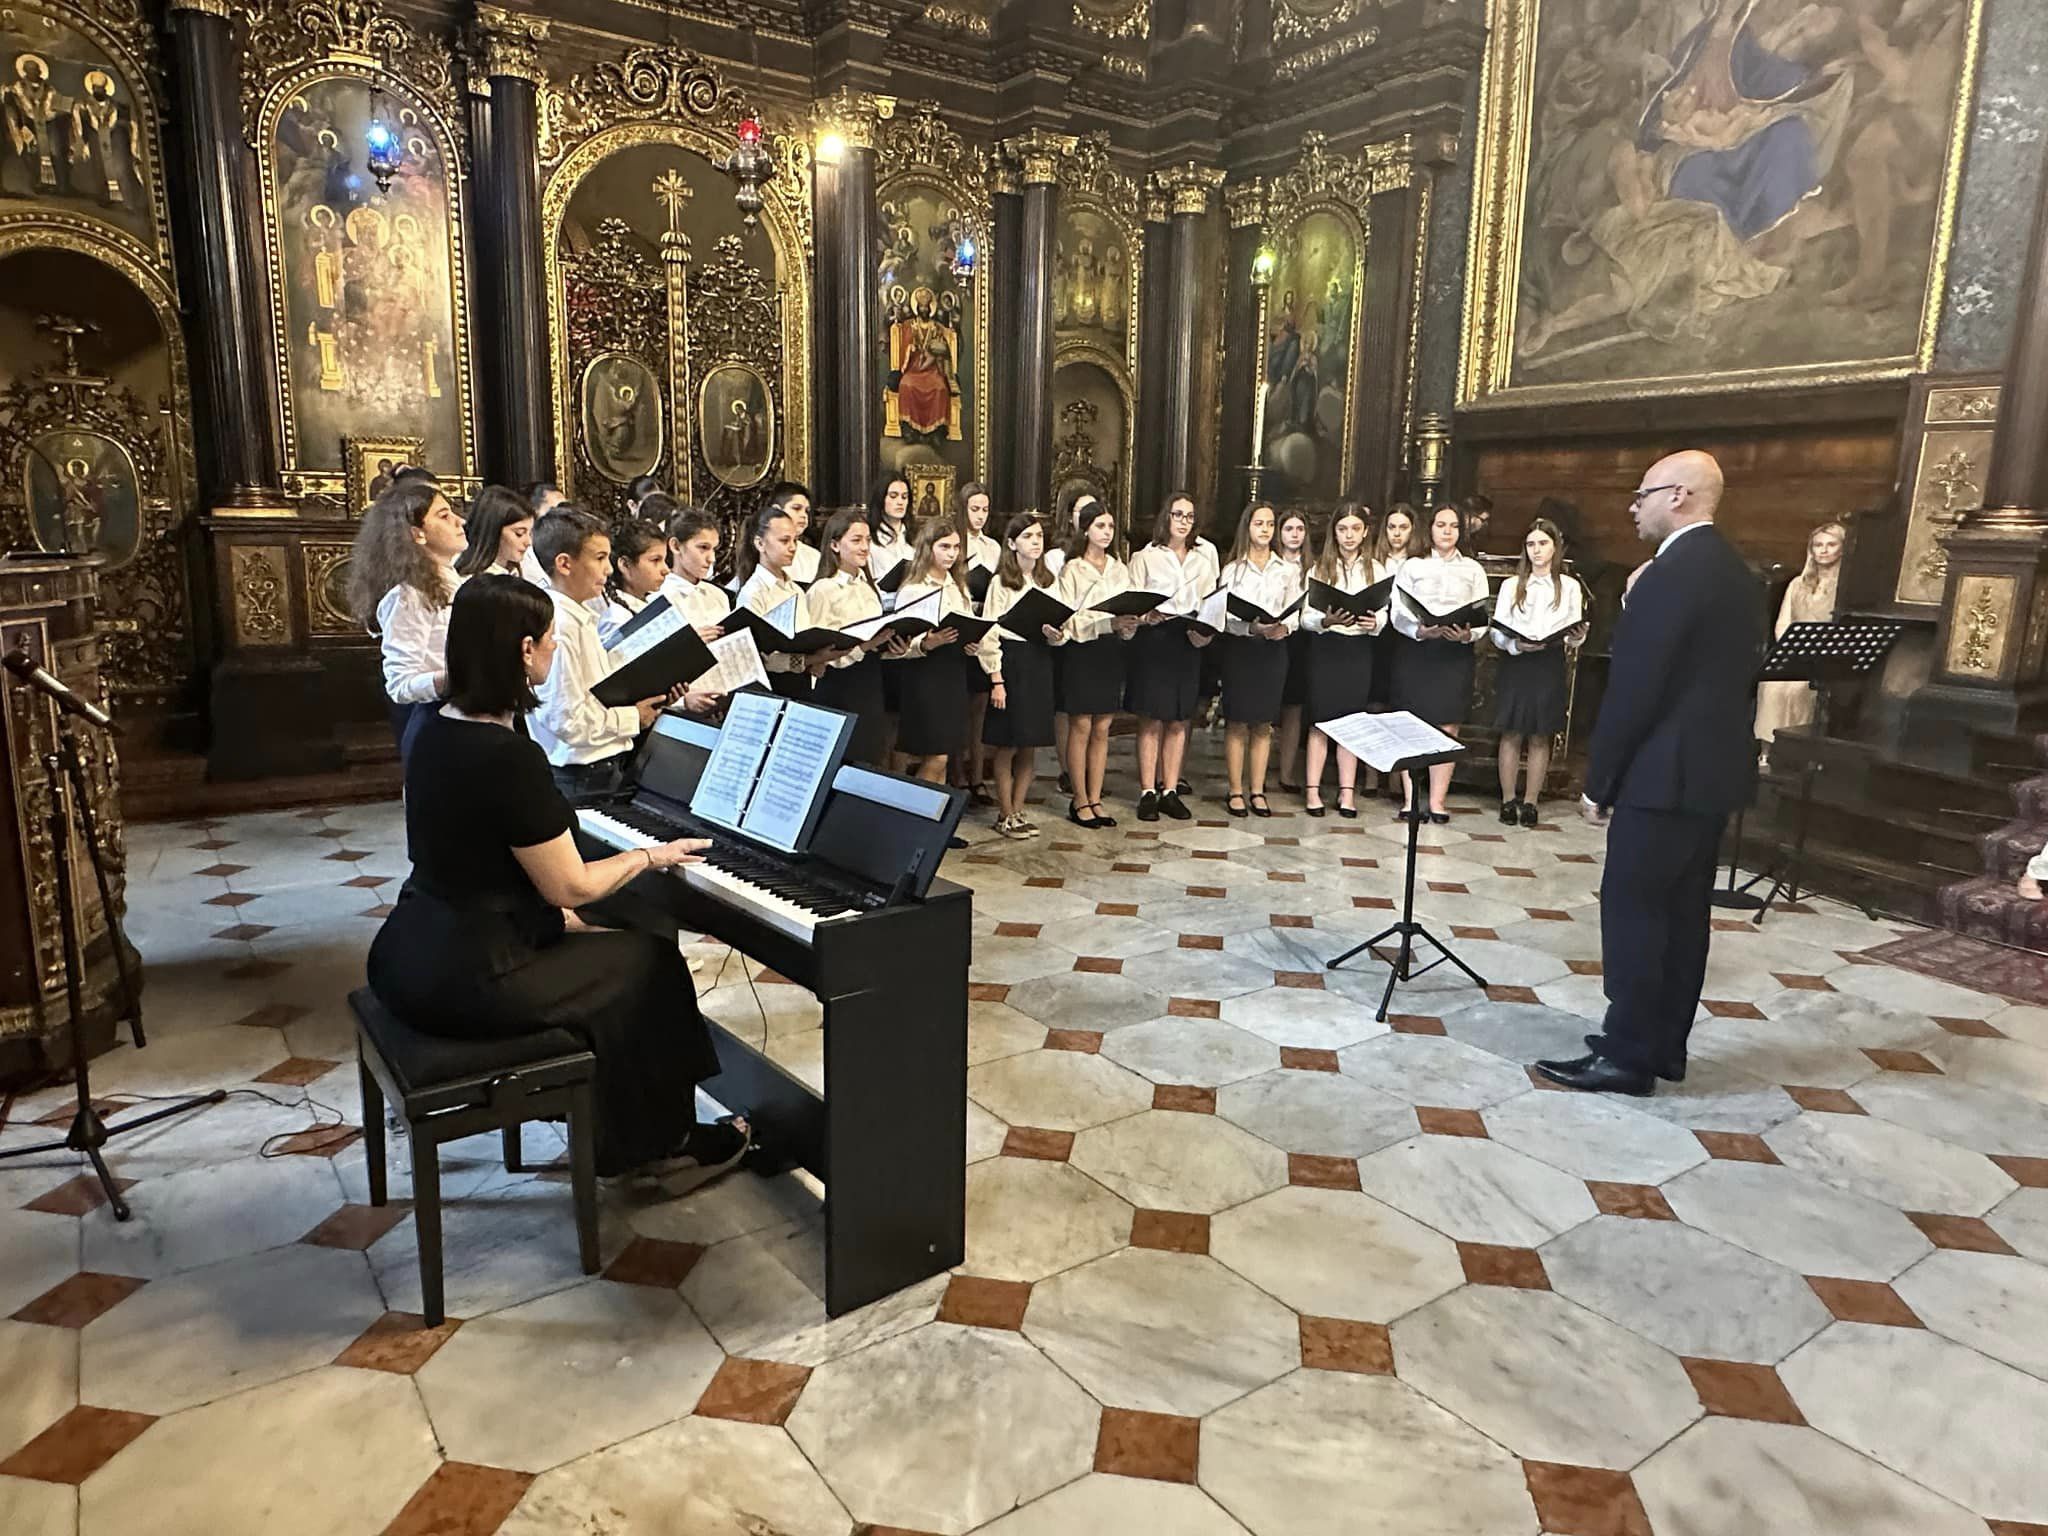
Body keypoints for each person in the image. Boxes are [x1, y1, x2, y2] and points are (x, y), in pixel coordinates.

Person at [366, 575, 746, 1184]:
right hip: (476, 976)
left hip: (408, 952)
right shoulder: (505, 754)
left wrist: (559, 916)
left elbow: (473, 851)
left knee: (608, 951)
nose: (552, 648)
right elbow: (570, 888)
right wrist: (651, 857)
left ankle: (615, 1127)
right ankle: (659, 1145)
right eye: (548, 639)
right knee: (651, 962)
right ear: (523, 650)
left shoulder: (430, 723)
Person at [1537, 450, 1768, 1096]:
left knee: (1635, 911)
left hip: (1662, 776)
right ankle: (1665, 1045)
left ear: (1679, 496)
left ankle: (1626, 1054)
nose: (1633, 507)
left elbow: (1637, 689)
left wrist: (1600, 780)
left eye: (1643, 495)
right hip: (1711, 775)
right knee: (1684, 916)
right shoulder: (1738, 572)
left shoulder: (1668, 577)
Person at [529, 508, 673, 800]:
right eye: (599, 558)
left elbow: (594, 692)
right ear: (564, 564)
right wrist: (633, 717)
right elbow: (566, 720)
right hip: (581, 774)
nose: (608, 570)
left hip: (597, 769)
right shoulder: (561, 626)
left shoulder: (578, 616)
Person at [349, 480, 467, 762]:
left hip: (464, 715)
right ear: (417, 534)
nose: (460, 521)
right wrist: (462, 678)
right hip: (440, 722)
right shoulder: (409, 596)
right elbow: (400, 683)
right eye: (444, 515)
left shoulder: (454, 580)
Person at [1389, 503, 1488, 823]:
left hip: (1453, 653)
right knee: (1411, 722)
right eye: (1441, 525)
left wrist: (1468, 634)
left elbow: (1482, 616)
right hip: (1418, 650)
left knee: (1447, 726)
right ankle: (1410, 800)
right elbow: (1398, 612)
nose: (1447, 531)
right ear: (1429, 529)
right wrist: (1419, 630)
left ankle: (1437, 800)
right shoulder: (1412, 566)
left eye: (1454, 526)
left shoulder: (1472, 569)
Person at [1493, 517, 1589, 827]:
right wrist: (1515, 644)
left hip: (1548, 661)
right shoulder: (1512, 585)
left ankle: (1531, 801)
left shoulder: (1569, 586)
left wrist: (1577, 636)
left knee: (1540, 733)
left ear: (1555, 547)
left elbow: (1572, 632)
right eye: (1531, 544)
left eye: (1543, 544)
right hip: (1518, 661)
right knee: (1512, 731)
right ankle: (1508, 799)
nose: (1536, 550)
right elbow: (1497, 631)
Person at [1127, 491, 1217, 821]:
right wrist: (1145, 615)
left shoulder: (1202, 558)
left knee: (1179, 718)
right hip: (1155, 638)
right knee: (1152, 717)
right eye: (1178, 515)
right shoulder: (1145, 556)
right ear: (1166, 517)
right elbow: (1131, 602)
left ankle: (1170, 790)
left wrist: (1206, 632)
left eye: (1189, 516)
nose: (1183, 522)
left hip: (1187, 637)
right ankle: (1147, 791)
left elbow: (1212, 603)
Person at [1053, 497, 1141, 828]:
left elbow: (1127, 607)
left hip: (1110, 652)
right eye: (1100, 526)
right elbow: (1069, 619)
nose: (1107, 532)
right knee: (1081, 725)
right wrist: (1108, 623)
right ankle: (1079, 798)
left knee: (1103, 726)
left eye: (1111, 526)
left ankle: (1096, 796)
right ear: (1086, 530)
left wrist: (1129, 625)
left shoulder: (1119, 568)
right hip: (1082, 651)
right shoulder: (1072, 569)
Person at [1217, 501, 1303, 819]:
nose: (1265, 529)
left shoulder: (1286, 569)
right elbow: (1223, 615)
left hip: (1273, 651)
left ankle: (1257, 790)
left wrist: (1284, 627)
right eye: (1259, 523)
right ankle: (1235, 790)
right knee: (1238, 721)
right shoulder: (1233, 569)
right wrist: (1250, 627)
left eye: (1269, 524)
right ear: (1247, 527)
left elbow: (1296, 611)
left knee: (1264, 723)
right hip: (1242, 649)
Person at [1300, 503, 1386, 819]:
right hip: (1327, 649)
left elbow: (1384, 614)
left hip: (1358, 650)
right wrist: (1325, 620)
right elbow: (1305, 617)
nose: (1349, 535)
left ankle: (1346, 792)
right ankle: (1312, 791)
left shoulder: (1376, 569)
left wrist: (1374, 623)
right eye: (1342, 529)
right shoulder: (1319, 568)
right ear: (1334, 533)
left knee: (1352, 722)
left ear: (1365, 532)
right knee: (1320, 722)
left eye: (1355, 529)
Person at [980, 511, 1060, 838]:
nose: (1036, 542)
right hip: (1011, 663)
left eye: (1039, 536)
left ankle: (1019, 808)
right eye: (1028, 537)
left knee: (1030, 743)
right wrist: (996, 680)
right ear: (1012, 544)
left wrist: (1057, 634)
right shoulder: (1000, 582)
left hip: (1039, 659)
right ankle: (1005, 812)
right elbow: (989, 633)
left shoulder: (1047, 580)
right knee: (1008, 743)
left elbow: (1061, 622)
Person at [885, 516, 976, 786]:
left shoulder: (957, 585)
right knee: (935, 756)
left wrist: (973, 642)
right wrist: (926, 643)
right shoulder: (913, 589)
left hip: (953, 671)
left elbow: (967, 622)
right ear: (928, 548)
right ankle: (912, 807)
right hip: (924, 674)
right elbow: (900, 641)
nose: (951, 554)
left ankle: (935, 809)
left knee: (945, 755)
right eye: (944, 547)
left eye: (956, 547)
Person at [1754, 521, 1844, 769]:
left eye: (1831, 544)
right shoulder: (1797, 584)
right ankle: (1767, 749)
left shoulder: (1846, 585)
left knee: (1798, 690)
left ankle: (1797, 750)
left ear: (1842, 549)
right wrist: (1792, 648)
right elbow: (1783, 622)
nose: (1823, 550)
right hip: (1795, 649)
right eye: (1818, 545)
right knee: (1772, 684)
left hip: (1825, 653)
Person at [807, 507, 892, 765]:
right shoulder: (823, 589)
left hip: (870, 680)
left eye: (868, 540)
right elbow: (818, 651)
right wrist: (863, 647)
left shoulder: (868, 587)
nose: (865, 547)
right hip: (839, 685)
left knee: (871, 758)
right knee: (842, 761)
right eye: (856, 540)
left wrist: (891, 646)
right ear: (834, 545)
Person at [733, 502, 838, 699]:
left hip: (802, 685)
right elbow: (758, 658)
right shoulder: (753, 592)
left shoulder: (795, 590)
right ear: (760, 544)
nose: (792, 548)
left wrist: (817, 660)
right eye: (784, 541)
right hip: (770, 689)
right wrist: (810, 659)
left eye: (795, 540)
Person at [954, 481, 1001, 806]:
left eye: (985, 509)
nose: (980, 515)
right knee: (958, 708)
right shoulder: (954, 542)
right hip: (959, 629)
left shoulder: (993, 547)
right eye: (974, 509)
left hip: (985, 628)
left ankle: (977, 776)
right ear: (962, 509)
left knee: (979, 711)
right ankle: (957, 774)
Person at [1273, 509, 1313, 794]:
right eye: (1289, 529)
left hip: (1300, 639)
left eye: (1300, 529)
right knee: (1264, 708)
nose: (1295, 534)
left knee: (1293, 707)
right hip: (1269, 636)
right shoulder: (1270, 562)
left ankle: (1287, 773)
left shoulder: (1313, 566)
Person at [658, 504, 734, 639]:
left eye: (714, 549)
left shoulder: (719, 596)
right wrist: (691, 643)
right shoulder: (660, 597)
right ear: (676, 546)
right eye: (703, 547)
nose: (712, 558)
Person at [455, 485, 537, 584]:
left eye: (530, 533)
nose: (528, 542)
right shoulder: (473, 583)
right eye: (519, 534)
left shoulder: (519, 570)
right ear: (494, 532)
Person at [764, 482, 821, 586]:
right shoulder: (763, 551)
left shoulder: (814, 556)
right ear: (776, 510)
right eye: (796, 508)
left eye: (806, 511)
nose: (804, 515)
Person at [869, 472, 914, 596]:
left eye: (904, 497)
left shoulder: (915, 536)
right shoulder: (870, 538)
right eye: (893, 496)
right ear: (881, 499)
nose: (900, 502)